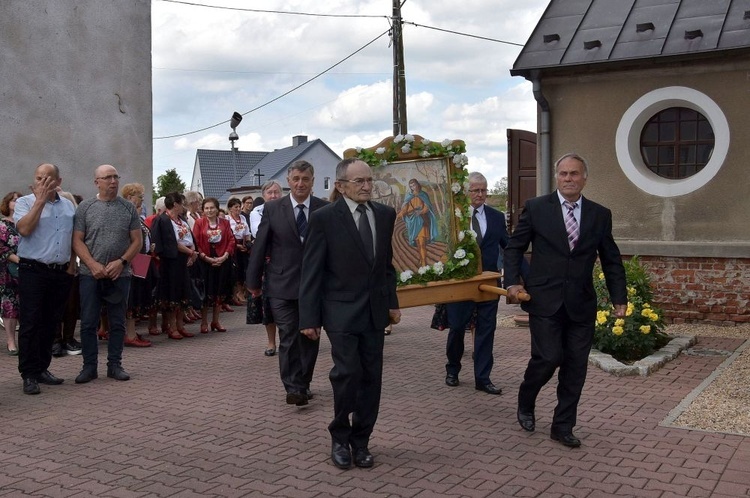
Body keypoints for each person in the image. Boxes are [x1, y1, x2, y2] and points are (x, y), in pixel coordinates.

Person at [505, 152, 627, 448]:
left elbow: (611, 259)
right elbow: (514, 247)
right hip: (544, 300)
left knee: (575, 367)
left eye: (575, 174)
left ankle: (563, 426)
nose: (569, 179)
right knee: (547, 358)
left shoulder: (600, 214)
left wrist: (618, 297)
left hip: (581, 304)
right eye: (564, 174)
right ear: (556, 177)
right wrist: (511, 281)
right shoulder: (536, 208)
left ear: (585, 178)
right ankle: (526, 398)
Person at [299, 158, 400, 470]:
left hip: (374, 311)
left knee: (372, 377)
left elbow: (386, 265)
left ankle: (362, 441)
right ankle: (340, 437)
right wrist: (308, 319)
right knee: (347, 374)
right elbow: (311, 271)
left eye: (369, 181)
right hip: (339, 311)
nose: (367, 186)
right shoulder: (324, 218)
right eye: (360, 182)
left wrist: (392, 302)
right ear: (341, 186)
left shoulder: (385, 215)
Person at [246, 160, 327, 406]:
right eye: (296, 179)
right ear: (288, 182)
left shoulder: (325, 209)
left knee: (310, 336)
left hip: (315, 286)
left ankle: (304, 383)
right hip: (281, 284)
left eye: (305, 179)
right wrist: (253, 282)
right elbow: (260, 246)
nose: (300, 183)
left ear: (312, 181)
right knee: (289, 334)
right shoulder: (272, 209)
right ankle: (293, 387)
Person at [72, 165, 142, 384]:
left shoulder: (128, 209)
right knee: (88, 323)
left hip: (119, 275)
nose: (113, 181)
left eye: (115, 177)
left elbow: (137, 241)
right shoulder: (85, 207)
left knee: (118, 322)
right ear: (97, 182)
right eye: (107, 178)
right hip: (89, 274)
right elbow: (76, 240)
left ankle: (115, 365)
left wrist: (122, 262)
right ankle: (89, 367)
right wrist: (92, 264)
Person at [14, 163, 77, 394]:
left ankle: (42, 368)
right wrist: (40, 201)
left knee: (51, 322)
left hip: (60, 272)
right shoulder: (24, 203)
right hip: (33, 269)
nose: (42, 183)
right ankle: (28, 373)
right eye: (38, 178)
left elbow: (73, 238)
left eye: (47, 178)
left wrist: (71, 266)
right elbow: (25, 230)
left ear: (58, 182)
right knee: (31, 322)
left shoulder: (69, 206)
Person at [444, 172, 508, 396]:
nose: (480, 194)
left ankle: (483, 378)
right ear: (466, 192)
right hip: (461, 284)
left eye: (483, 190)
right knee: (458, 328)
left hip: (489, 283)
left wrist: (520, 277)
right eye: (475, 190)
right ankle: (452, 369)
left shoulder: (497, 217)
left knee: (486, 330)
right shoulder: (454, 216)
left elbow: (508, 247)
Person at [150, 192, 199, 340]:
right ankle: (171, 326)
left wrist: (193, 253)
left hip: (184, 260)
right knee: (172, 294)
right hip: (171, 262)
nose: (184, 207)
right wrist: (190, 252)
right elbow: (170, 242)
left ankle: (180, 325)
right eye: (182, 204)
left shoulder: (182, 219)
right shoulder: (163, 220)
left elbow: (189, 238)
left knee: (183, 293)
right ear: (175, 204)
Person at [247, 180, 283, 356]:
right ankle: (271, 342)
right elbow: (258, 233)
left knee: (287, 302)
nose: (274, 195)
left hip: (286, 261)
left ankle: (287, 341)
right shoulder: (257, 212)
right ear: (264, 195)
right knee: (268, 304)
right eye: (270, 192)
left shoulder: (288, 208)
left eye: (277, 192)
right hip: (267, 262)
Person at [192, 197, 234, 333]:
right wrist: (206, 258)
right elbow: (196, 242)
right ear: (203, 210)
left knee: (219, 292)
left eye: (212, 208)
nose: (209, 211)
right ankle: (204, 322)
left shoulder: (225, 223)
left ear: (217, 209)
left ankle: (216, 321)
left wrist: (225, 256)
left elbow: (231, 240)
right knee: (206, 292)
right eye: (206, 208)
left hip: (222, 260)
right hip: (205, 262)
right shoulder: (199, 223)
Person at [121, 183, 154, 348]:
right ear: (130, 198)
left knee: (138, 296)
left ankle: (132, 332)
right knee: (132, 298)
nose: (142, 200)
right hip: (133, 261)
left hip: (141, 259)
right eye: (139, 196)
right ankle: (130, 334)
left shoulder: (136, 216)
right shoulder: (127, 215)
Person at [397, 178, 439, 268]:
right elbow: (404, 209)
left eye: (414, 185)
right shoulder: (409, 196)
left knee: (422, 242)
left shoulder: (423, 195)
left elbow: (427, 207)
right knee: (418, 244)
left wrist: (420, 212)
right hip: (413, 222)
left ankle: (424, 262)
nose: (413, 187)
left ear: (417, 184)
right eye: (411, 186)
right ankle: (422, 258)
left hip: (422, 220)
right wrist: (398, 216)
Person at [0, 191, 22, 355]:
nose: (17, 202)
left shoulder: (24, 222)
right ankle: (10, 341)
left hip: (28, 270)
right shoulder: (2, 225)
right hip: (8, 271)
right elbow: (2, 248)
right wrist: (18, 260)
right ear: (7, 204)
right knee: (10, 305)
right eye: (14, 200)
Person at [227, 197, 251, 305]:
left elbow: (247, 232)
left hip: (243, 244)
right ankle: (235, 293)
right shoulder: (228, 219)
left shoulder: (243, 218)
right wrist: (236, 245)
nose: (238, 209)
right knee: (235, 270)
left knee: (243, 269)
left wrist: (248, 243)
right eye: (235, 207)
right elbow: (227, 235)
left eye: (239, 207)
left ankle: (241, 291)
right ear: (230, 208)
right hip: (233, 245)